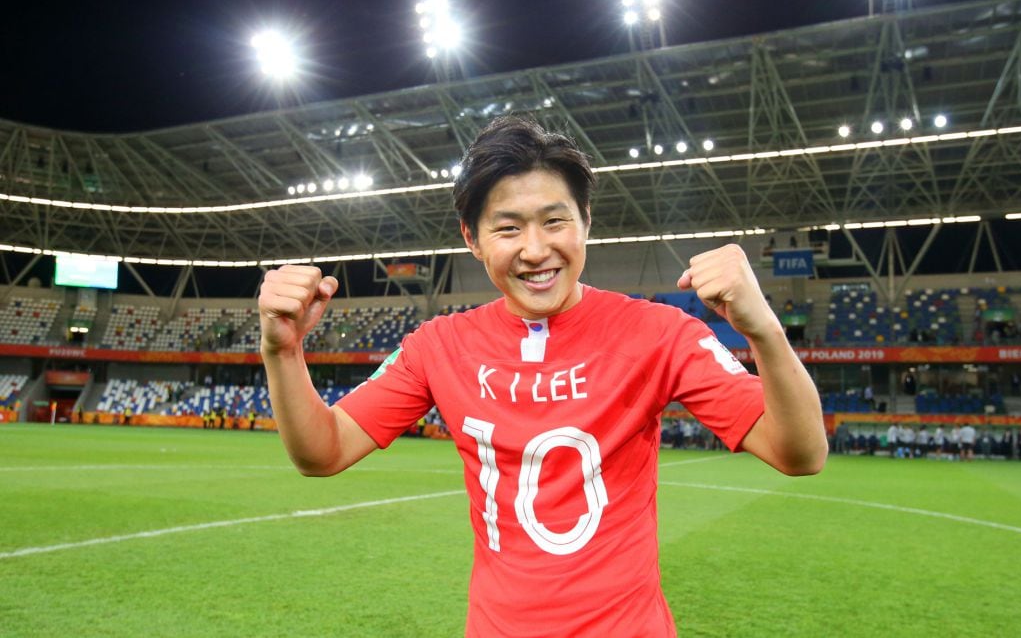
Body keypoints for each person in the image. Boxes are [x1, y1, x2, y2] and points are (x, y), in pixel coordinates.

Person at [258, 116, 827, 637]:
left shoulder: (659, 333)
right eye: (507, 228)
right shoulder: (437, 346)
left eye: (555, 221)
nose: (536, 250)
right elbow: (322, 452)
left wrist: (765, 333)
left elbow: (799, 453)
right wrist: (282, 352)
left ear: (586, 223)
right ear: (471, 238)